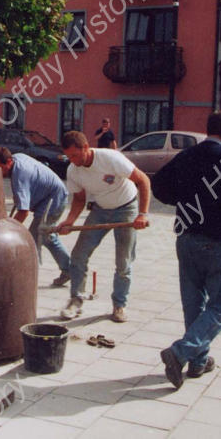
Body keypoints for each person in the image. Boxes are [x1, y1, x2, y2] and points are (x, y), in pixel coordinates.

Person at [151, 111, 221, 389]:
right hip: (217, 240)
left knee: (193, 302)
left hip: (186, 238)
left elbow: (159, 185)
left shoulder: (187, 156)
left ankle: (199, 361)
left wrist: (184, 200)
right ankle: (181, 352)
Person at [55, 130, 150, 323]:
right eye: (69, 156)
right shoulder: (73, 170)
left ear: (86, 148)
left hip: (126, 208)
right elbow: (79, 198)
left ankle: (119, 305)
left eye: (75, 155)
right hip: (100, 210)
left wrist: (142, 214)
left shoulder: (110, 158)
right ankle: (76, 300)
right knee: (78, 255)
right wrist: (70, 221)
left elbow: (143, 180)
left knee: (123, 262)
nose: (72, 160)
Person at [0, 146, 72, 286]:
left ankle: (27, 280)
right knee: (47, 237)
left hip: (54, 200)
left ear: (8, 161)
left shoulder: (20, 175)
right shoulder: (17, 157)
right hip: (50, 196)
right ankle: (69, 269)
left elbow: (23, 212)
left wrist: (7, 230)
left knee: (33, 238)